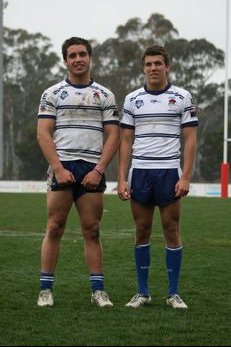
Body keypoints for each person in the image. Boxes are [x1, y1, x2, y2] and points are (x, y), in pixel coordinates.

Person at [36, 37, 120, 308]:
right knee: (55, 227)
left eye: (82, 54)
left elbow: (113, 136)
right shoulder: (52, 93)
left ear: (90, 57)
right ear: (65, 60)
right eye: (72, 55)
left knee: (92, 230)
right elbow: (43, 133)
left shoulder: (104, 95)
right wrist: (58, 168)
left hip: (91, 169)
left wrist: (99, 169)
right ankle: (45, 290)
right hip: (63, 167)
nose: (78, 59)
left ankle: (98, 291)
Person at [118, 45, 198, 309]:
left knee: (171, 230)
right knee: (141, 230)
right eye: (149, 64)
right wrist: (121, 178)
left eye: (158, 63)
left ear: (167, 67)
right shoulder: (132, 99)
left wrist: (185, 176)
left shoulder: (182, 97)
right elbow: (126, 140)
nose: (153, 68)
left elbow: (190, 139)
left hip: (169, 171)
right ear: (143, 67)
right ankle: (143, 293)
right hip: (140, 172)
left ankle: (173, 294)